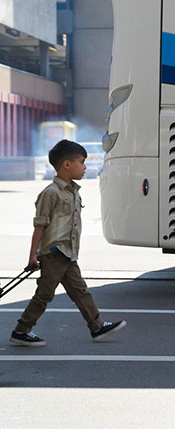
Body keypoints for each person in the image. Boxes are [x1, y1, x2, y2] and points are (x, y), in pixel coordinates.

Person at [10, 140, 126, 347]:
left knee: (80, 291)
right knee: (45, 294)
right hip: (54, 253)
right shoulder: (51, 193)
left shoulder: (74, 192)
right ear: (66, 164)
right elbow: (40, 225)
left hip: (68, 253)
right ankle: (21, 330)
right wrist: (33, 255)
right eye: (81, 162)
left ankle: (97, 326)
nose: (85, 167)